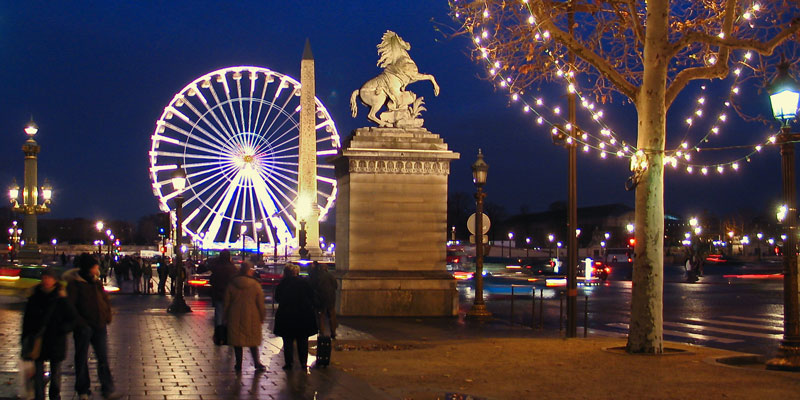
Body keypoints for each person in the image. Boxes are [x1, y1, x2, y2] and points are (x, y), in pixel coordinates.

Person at [65, 253, 121, 400]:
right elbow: (70, 307)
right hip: (84, 327)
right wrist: (80, 323)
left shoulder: (96, 283)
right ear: (89, 268)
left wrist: (107, 315)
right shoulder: (75, 284)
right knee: (82, 358)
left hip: (99, 324)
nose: (98, 268)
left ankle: (107, 389)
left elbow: (104, 300)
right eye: (95, 265)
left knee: (103, 357)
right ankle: (83, 389)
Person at [21, 268, 76, 400]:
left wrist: (63, 329)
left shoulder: (61, 297)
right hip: (38, 340)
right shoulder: (34, 297)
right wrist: (25, 339)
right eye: (44, 278)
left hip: (55, 339)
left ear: (54, 280)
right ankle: (39, 396)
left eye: (49, 278)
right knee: (38, 372)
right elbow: (27, 320)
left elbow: (72, 317)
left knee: (56, 371)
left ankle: (55, 395)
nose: (46, 281)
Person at [224, 261, 266, 372]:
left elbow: (226, 302)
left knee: (237, 341)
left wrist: (225, 316)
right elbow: (260, 303)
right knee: (252, 341)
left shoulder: (232, 283)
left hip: (235, 314)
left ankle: (238, 364)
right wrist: (262, 316)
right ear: (249, 271)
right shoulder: (255, 284)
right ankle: (257, 362)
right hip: (252, 315)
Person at [273, 264, 317, 371]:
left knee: (287, 341)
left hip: (286, 315)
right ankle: (303, 362)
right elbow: (312, 296)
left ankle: (289, 363)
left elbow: (277, 298)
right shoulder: (304, 283)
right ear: (296, 272)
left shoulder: (283, 284)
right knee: (302, 340)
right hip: (303, 315)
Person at [309, 261, 337, 367]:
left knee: (321, 316)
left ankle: (322, 331)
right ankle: (333, 331)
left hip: (321, 299)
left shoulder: (318, 277)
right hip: (331, 298)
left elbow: (315, 287)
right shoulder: (331, 276)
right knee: (332, 315)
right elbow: (336, 286)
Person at [209, 250, 238, 345]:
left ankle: (219, 336)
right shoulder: (232, 268)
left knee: (219, 316)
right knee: (229, 316)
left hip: (218, 295)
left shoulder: (217, 267)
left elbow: (212, 280)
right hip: (230, 295)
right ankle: (229, 336)